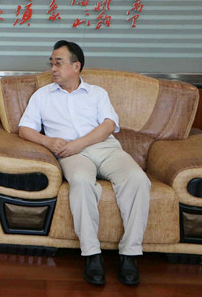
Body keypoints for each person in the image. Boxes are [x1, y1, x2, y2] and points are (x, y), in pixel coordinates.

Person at [18, 40, 150, 286]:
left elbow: (109, 125)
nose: (53, 68)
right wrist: (48, 141)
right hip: (71, 154)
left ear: (76, 66)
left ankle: (130, 255)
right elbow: (25, 129)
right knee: (80, 181)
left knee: (138, 180)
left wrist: (79, 143)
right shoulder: (42, 96)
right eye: (51, 63)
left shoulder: (97, 93)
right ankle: (92, 255)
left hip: (104, 147)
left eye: (58, 63)